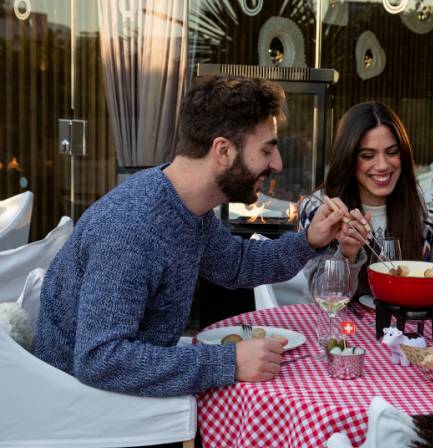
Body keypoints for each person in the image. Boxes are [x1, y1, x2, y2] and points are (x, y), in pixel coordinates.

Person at [33, 75, 352, 398]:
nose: (278, 164)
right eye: (267, 150)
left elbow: (236, 265)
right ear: (223, 150)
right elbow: (100, 359)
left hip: (123, 395)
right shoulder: (132, 227)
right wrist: (229, 362)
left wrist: (311, 240)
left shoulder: (186, 208)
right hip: (84, 408)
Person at [298, 101, 433, 322]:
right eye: (368, 155)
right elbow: (322, 295)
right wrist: (347, 254)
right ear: (349, 158)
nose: (383, 165)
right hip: (337, 330)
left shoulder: (429, 208)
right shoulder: (322, 210)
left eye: (392, 152)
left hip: (409, 328)